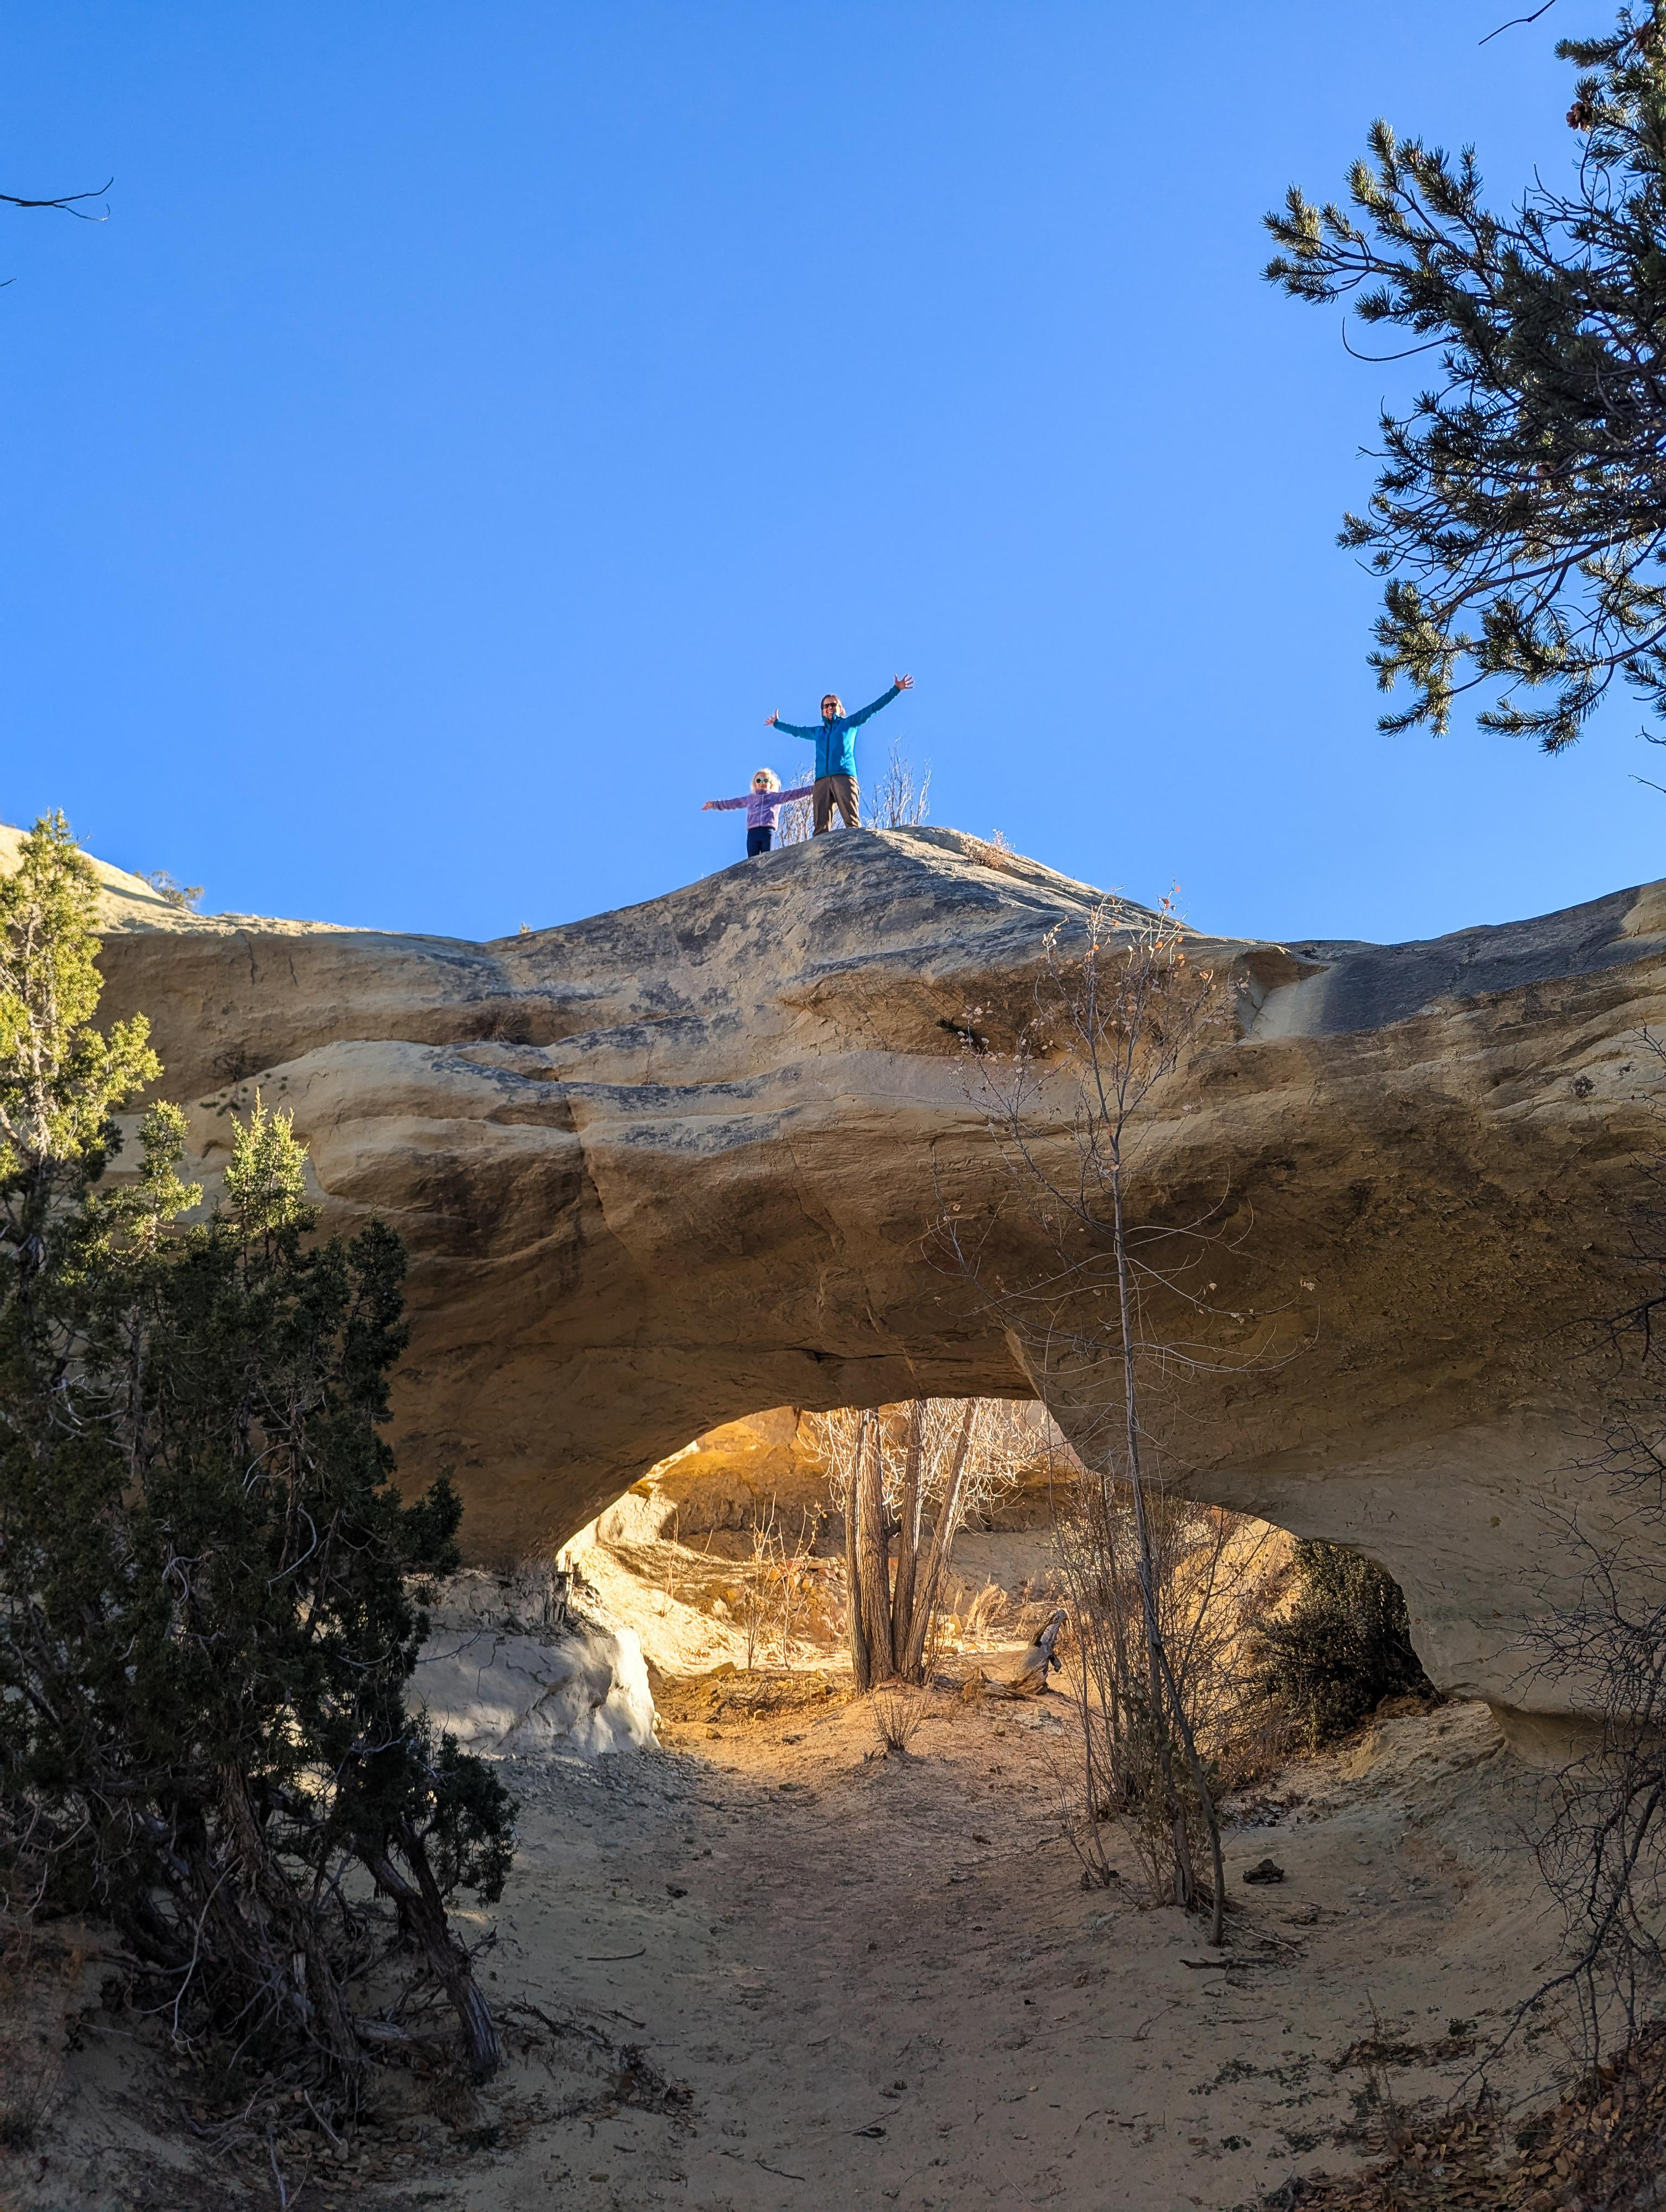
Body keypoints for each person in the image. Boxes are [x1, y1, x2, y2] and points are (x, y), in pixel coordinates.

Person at [766, 673, 913, 833]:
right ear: (822, 711)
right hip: (822, 780)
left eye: (833, 705)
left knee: (852, 823)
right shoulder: (818, 732)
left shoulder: (849, 724)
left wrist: (895, 690)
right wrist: (777, 724)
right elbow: (797, 731)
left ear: (840, 708)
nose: (829, 708)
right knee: (820, 828)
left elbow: (873, 708)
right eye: (826, 706)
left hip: (844, 776)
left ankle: (858, 848)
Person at [700, 767, 814, 858]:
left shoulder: (776, 797)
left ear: (771, 784)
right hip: (753, 832)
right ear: (755, 784)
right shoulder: (750, 799)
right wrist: (715, 804)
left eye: (765, 780)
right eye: (759, 780)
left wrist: (812, 789)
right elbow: (733, 803)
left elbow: (795, 794)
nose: (762, 783)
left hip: (767, 831)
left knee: (767, 858)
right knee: (752, 860)